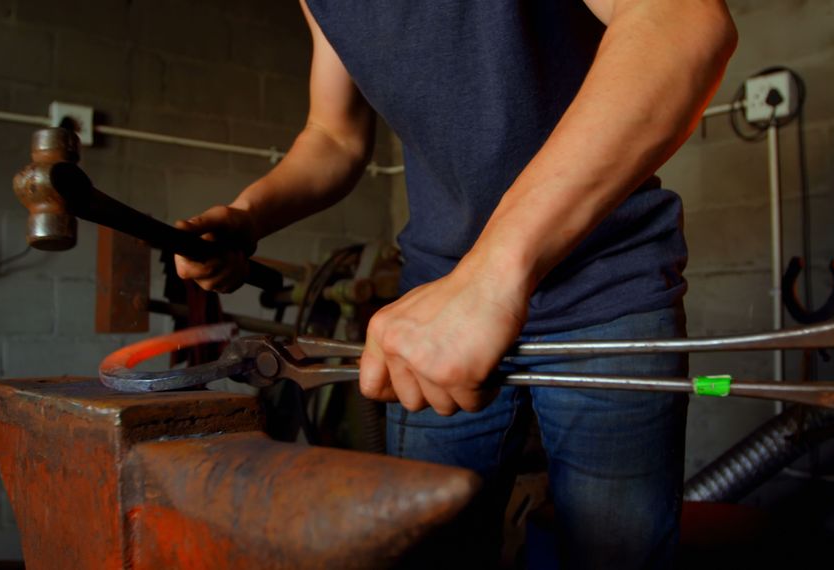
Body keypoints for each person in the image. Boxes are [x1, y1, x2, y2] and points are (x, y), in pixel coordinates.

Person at [177, 1, 737, 567]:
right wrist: (249, 216)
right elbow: (333, 136)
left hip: (606, 290)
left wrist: (491, 276)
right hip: (435, 319)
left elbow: (681, 22)